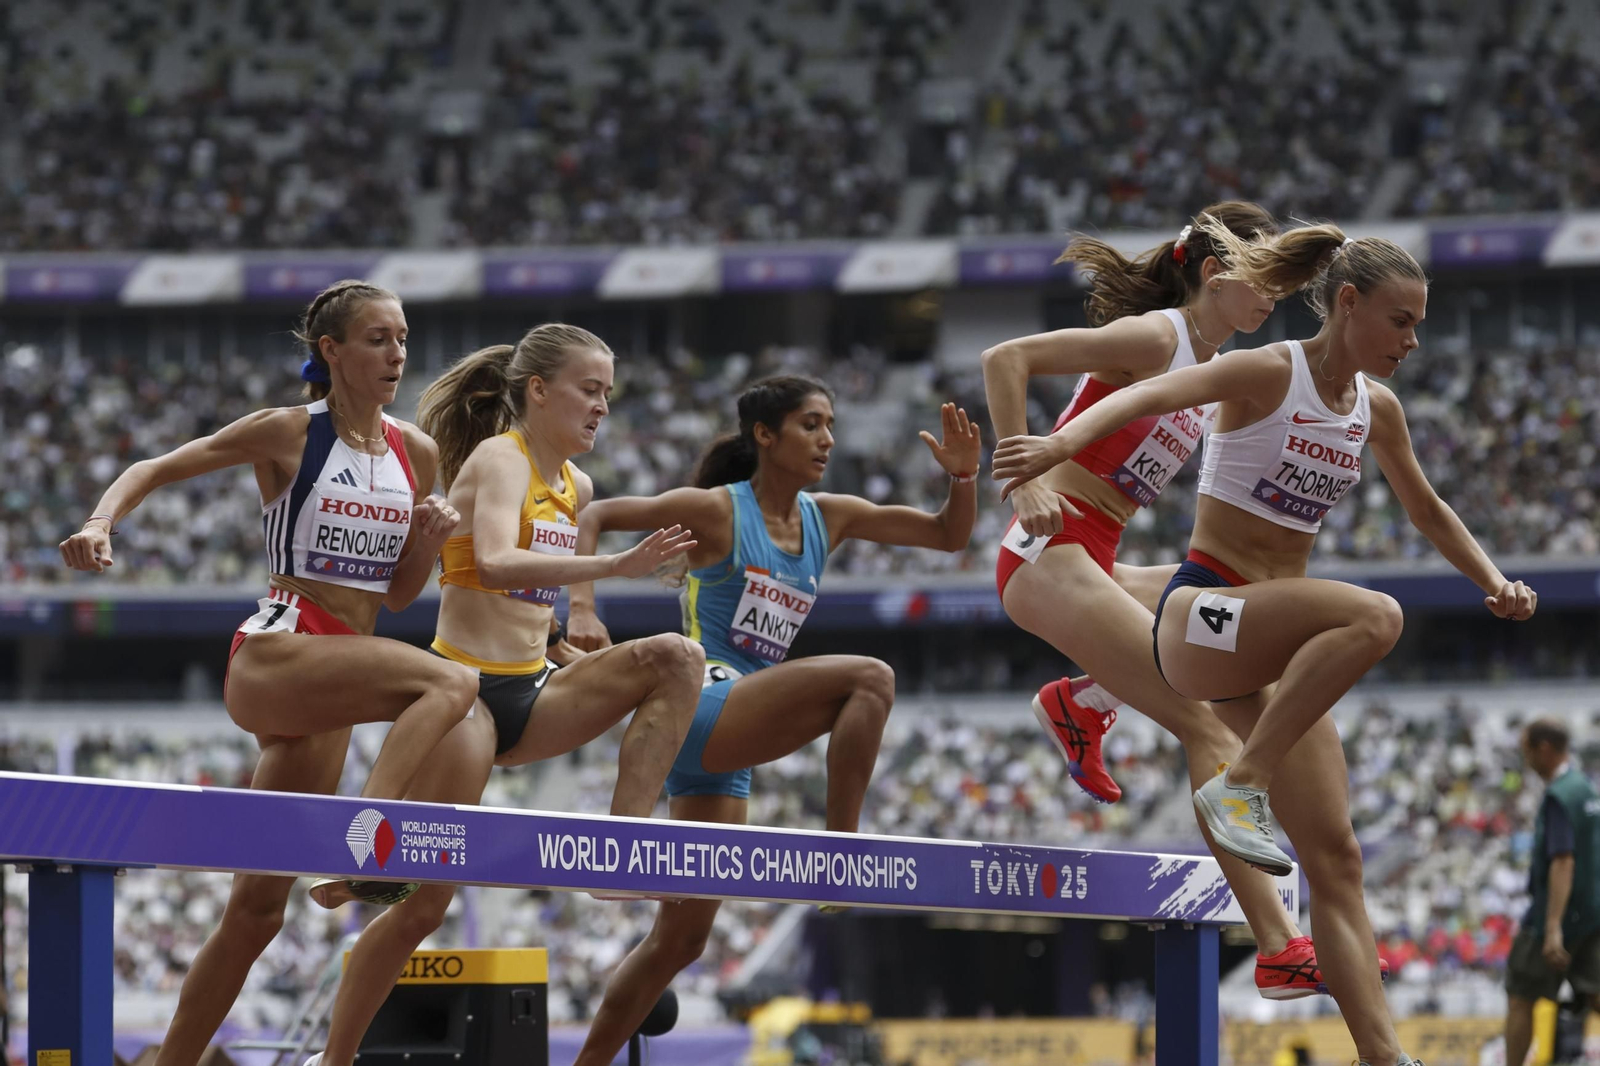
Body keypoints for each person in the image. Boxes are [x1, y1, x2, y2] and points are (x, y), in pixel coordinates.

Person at [995, 219, 1537, 1066]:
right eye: (1401, 321)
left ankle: (1383, 1056)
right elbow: (1149, 394)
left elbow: (1428, 509)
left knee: (1339, 857)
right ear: (1348, 304)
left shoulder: (1377, 410)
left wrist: (1492, 580)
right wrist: (1052, 450)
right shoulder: (1266, 370)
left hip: (1267, 644)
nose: (1413, 340)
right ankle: (1237, 785)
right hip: (1205, 614)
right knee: (1373, 617)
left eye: (1420, 324)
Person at [57, 279, 479, 1066]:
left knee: (257, 911)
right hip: (276, 652)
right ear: (332, 351)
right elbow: (154, 465)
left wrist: (426, 536)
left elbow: (397, 594)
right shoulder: (289, 432)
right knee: (450, 683)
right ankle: (370, 839)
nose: (397, 354)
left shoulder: (413, 452)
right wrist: (98, 522)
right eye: (379, 339)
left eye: (404, 339)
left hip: (332, 684)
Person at [307, 325, 708, 1064]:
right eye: (590, 391)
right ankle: (335, 1053)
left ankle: (622, 854)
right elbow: (491, 563)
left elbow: (531, 600)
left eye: (609, 396)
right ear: (538, 391)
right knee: (422, 906)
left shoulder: (578, 488)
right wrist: (616, 566)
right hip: (465, 694)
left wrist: (569, 639)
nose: (602, 409)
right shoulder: (499, 459)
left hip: (537, 687)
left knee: (680, 658)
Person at [563, 376, 980, 1066]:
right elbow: (594, 514)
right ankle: (839, 857)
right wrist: (580, 607)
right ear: (765, 435)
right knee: (870, 679)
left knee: (682, 940)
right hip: (696, 705)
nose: (828, 440)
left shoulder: (830, 515)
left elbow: (947, 534)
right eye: (811, 425)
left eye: (831, 424)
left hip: (736, 733)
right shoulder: (716, 512)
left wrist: (962, 478)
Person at [986, 201, 1345, 1000]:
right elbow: (1004, 357)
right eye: (1262, 284)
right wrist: (1026, 481)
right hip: (1049, 551)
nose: (1271, 303)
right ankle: (1280, 945)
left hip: (1102, 557)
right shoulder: (1159, 340)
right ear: (1214, 275)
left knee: (1209, 626)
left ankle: (1082, 699)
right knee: (1201, 714)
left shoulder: (1214, 375)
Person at [1503, 718, 1600, 1066]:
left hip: (1556, 914)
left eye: (1527, 749)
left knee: (1519, 997)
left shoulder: (1560, 796)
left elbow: (1563, 862)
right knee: (1596, 995)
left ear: (1544, 750)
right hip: (1591, 911)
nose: (1525, 758)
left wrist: (1553, 926)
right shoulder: (1584, 788)